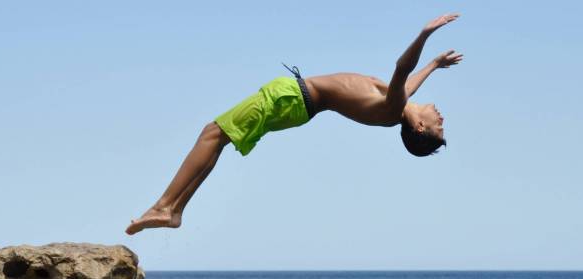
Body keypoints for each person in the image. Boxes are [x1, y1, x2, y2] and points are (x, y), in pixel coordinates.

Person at [126, 13, 462, 235]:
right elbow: (409, 83)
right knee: (217, 137)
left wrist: (425, 34)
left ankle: (166, 206)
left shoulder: (393, 108)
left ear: (419, 128)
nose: (442, 119)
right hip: (295, 101)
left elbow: (402, 68)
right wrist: (433, 64)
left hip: (291, 99)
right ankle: (175, 209)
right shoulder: (397, 108)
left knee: (213, 134)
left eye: (439, 127)